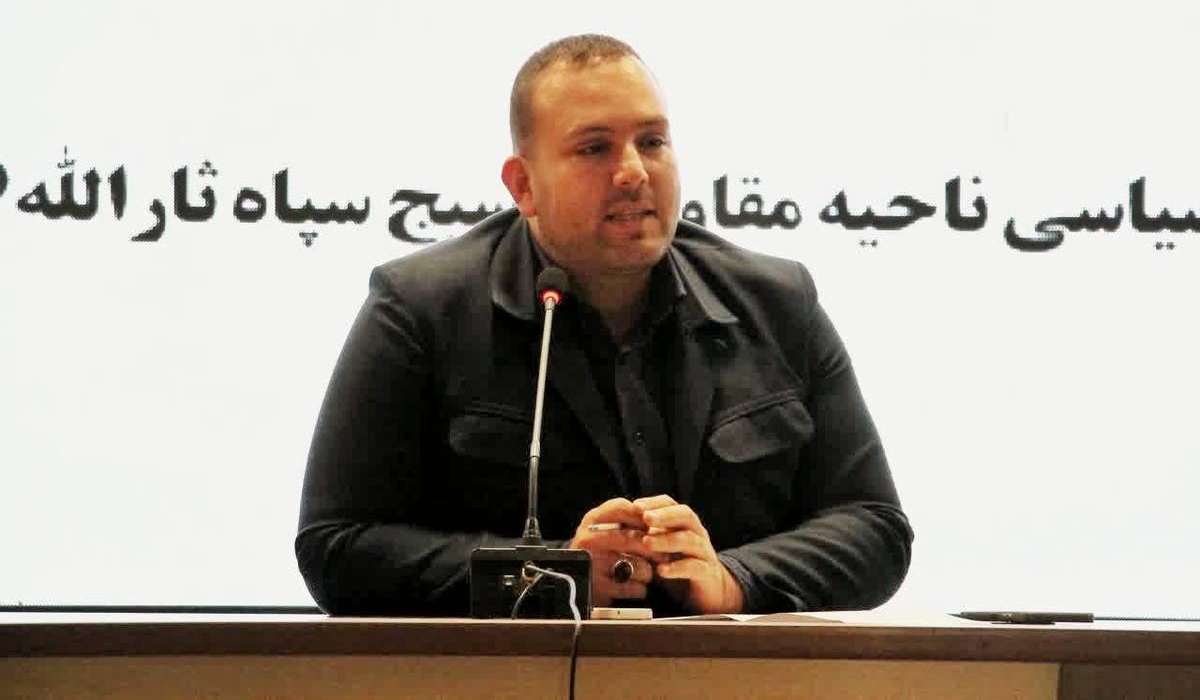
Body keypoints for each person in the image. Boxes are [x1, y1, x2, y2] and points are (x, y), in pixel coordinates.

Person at [296, 34, 913, 616]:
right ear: (524, 185)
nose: (634, 171)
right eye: (595, 148)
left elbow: (874, 526)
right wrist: (551, 573)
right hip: (512, 677)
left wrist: (735, 580)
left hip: (731, 674)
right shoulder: (419, 309)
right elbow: (337, 546)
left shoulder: (777, 303)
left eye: (653, 141)